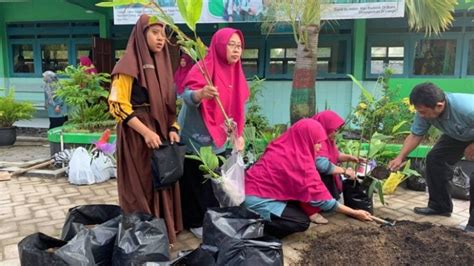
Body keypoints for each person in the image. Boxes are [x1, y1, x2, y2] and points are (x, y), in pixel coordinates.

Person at [108, 14, 183, 243]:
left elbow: (170, 102)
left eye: (163, 34)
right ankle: (145, 235)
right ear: (141, 35)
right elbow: (118, 106)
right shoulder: (126, 66)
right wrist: (146, 132)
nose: (161, 39)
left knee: (162, 179)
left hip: (159, 131)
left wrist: (172, 126)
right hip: (138, 135)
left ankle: (164, 230)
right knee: (142, 183)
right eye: (154, 32)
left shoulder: (163, 66)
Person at [243, 119, 372, 239]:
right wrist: (355, 213)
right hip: (256, 201)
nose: (319, 147)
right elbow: (324, 201)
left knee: (298, 206)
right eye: (316, 143)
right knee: (300, 221)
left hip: (247, 189)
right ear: (306, 139)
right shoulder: (300, 164)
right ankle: (258, 229)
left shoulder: (281, 147)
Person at [178, 27, 249, 238]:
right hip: (195, 136)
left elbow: (237, 108)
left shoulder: (236, 73)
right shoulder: (204, 68)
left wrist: (238, 134)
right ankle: (193, 221)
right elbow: (186, 96)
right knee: (193, 181)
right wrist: (200, 94)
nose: (236, 51)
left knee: (211, 181)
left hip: (217, 137)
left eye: (239, 46)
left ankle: (208, 219)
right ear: (219, 46)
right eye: (231, 45)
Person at [388, 82, 474, 233]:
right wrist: (400, 157)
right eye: (418, 111)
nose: (421, 115)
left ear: (440, 106)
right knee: (435, 159)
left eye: (423, 112)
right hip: (459, 135)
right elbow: (416, 135)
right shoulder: (424, 110)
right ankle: (440, 206)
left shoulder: (466, 109)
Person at [300, 110, 360, 224]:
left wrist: (350, 157)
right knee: (326, 174)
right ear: (325, 126)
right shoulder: (318, 140)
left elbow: (335, 155)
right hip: (307, 178)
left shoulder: (328, 141)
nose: (336, 133)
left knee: (331, 174)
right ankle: (312, 210)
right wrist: (344, 171)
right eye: (334, 130)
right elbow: (321, 165)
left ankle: (324, 203)